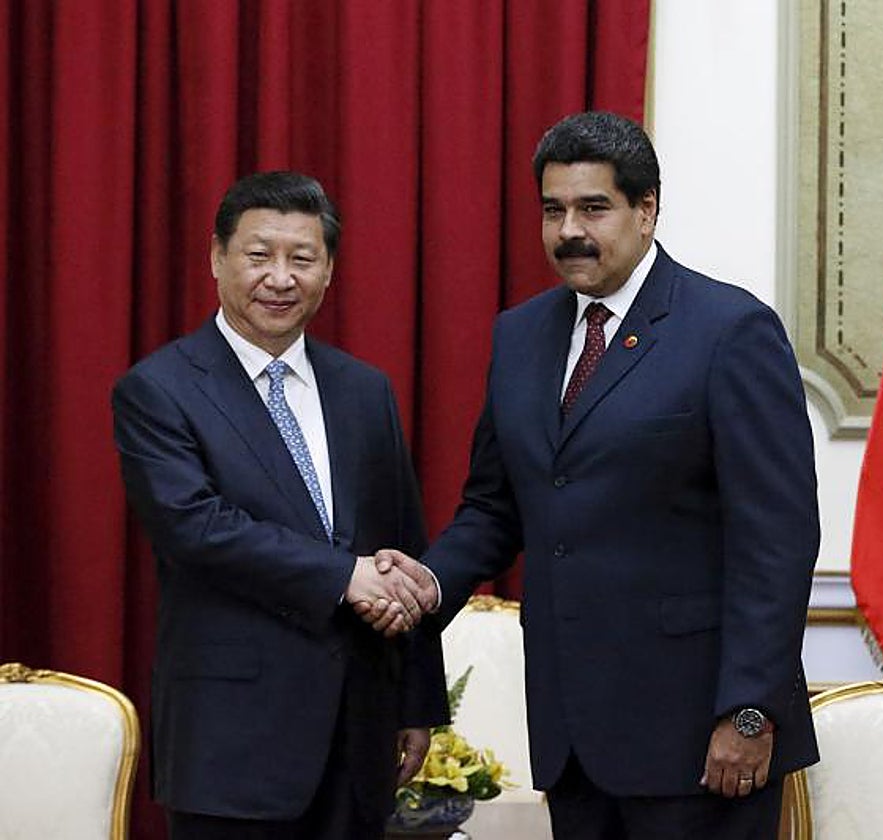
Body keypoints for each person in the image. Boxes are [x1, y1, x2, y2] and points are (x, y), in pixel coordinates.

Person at [374, 111, 821, 839]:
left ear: (646, 211)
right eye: (554, 210)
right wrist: (426, 582)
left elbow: (777, 540)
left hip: (702, 740)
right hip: (573, 738)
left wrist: (750, 711)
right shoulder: (520, 336)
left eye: (593, 208)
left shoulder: (729, 330)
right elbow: (495, 507)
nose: (569, 230)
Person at [112, 171, 448, 839]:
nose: (280, 277)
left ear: (328, 270)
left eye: (302, 258)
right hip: (232, 745)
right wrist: (342, 576)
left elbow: (404, 545)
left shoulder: (364, 391)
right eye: (259, 254)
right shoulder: (159, 389)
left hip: (358, 738)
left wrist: (417, 702)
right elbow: (196, 529)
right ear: (216, 258)